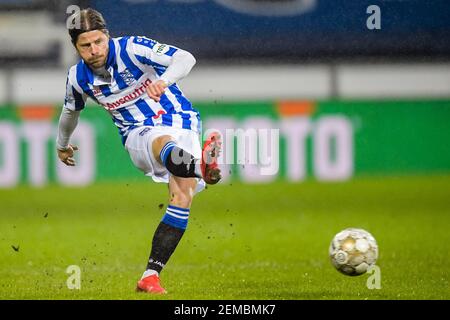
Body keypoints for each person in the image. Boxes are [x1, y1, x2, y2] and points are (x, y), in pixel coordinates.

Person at [56, 8, 221, 294]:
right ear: (75, 47)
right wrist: (62, 145)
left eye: (99, 42)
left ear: (107, 36)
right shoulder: (77, 78)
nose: (94, 50)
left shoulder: (133, 48)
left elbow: (186, 58)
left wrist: (163, 80)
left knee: (182, 196)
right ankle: (199, 166)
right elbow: (70, 112)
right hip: (136, 133)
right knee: (161, 140)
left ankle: (150, 275)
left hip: (182, 120)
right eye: (86, 45)